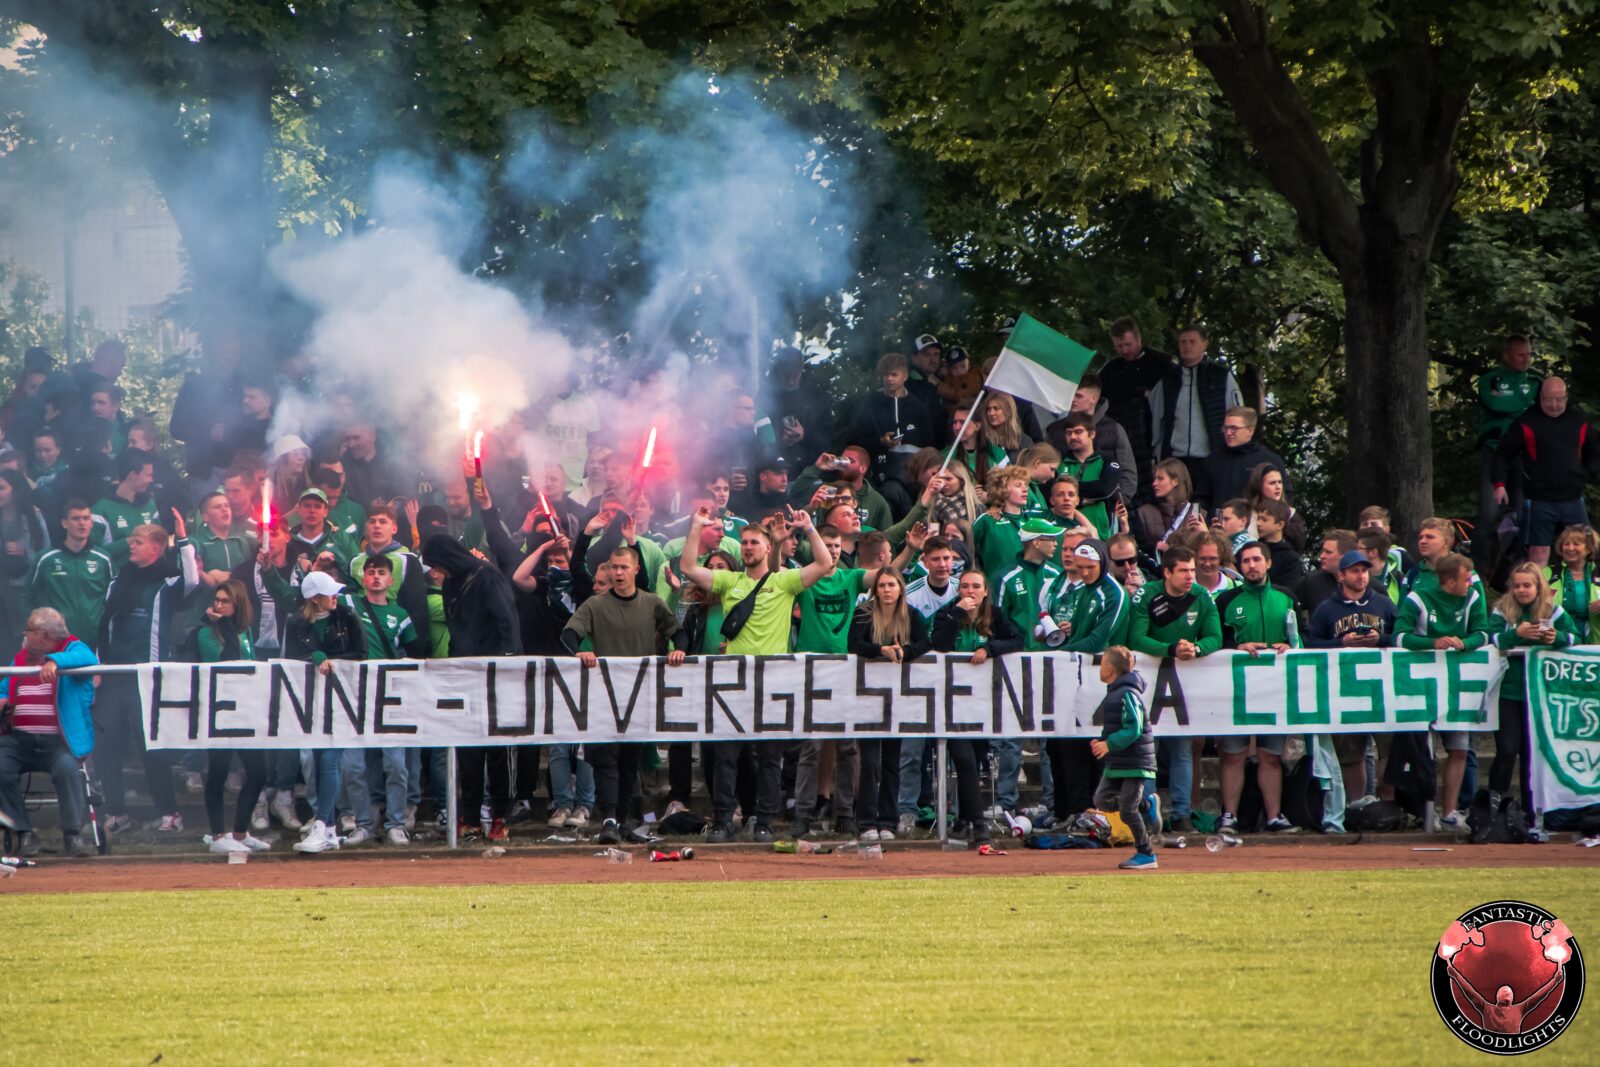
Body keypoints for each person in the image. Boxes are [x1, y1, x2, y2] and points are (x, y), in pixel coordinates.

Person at [680, 504, 833, 842]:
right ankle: (723, 821)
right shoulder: (728, 581)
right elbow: (688, 566)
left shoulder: (784, 582)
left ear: (768, 548)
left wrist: (808, 528)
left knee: (769, 756)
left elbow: (824, 564)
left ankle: (763, 821)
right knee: (725, 755)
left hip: (773, 681)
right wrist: (696, 526)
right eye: (744, 542)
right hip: (735, 680)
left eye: (754, 542)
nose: (748, 547)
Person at [561, 547, 688, 845]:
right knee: (606, 760)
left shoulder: (652, 602)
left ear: (635, 569)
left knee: (630, 762)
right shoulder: (595, 605)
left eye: (623, 567)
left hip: (639, 697)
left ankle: (622, 821)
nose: (618, 573)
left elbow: (677, 630)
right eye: (614, 567)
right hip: (603, 697)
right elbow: (568, 635)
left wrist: (679, 649)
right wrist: (580, 650)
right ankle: (608, 820)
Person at [96, 517, 199, 833]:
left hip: (148, 677)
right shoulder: (118, 581)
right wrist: (99, 667)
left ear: (155, 548)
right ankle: (116, 814)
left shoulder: (167, 583)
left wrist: (182, 539)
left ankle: (170, 815)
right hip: (114, 675)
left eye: (137, 542)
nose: (131, 546)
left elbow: (192, 580)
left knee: (152, 746)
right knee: (108, 745)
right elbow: (105, 627)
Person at [422, 534, 522, 842]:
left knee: (499, 748)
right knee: (468, 749)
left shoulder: (487, 575)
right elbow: (455, 628)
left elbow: (508, 621)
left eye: (437, 565)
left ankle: (502, 815)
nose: (436, 572)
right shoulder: (452, 584)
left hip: (496, 673)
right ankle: (471, 814)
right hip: (465, 674)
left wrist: (508, 661)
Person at [1126, 546, 1221, 832]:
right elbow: (1137, 637)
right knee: (1148, 749)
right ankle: (1148, 810)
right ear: (1167, 572)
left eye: (1192, 570)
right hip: (1149, 681)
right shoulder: (1147, 594)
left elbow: (1215, 636)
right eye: (1183, 570)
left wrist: (1197, 647)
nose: (1190, 576)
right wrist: (1170, 649)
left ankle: (1181, 814)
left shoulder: (1202, 596)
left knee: (1182, 749)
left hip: (1184, 682)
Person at [1395, 552, 1492, 830]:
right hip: (1422, 685)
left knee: (1460, 749)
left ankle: (1450, 812)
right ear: (1450, 581)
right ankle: (1425, 812)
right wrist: (1431, 643)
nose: (1470, 584)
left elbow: (1483, 633)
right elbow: (1400, 636)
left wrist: (1464, 643)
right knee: (1424, 752)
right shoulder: (1418, 598)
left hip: (1459, 686)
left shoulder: (1472, 597)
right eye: (1465, 579)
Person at [1488, 562, 1580, 840]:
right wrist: (1514, 634)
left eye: (1527, 585)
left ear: (1538, 586)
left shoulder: (1553, 610)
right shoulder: (1502, 610)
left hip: (1539, 693)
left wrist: (1556, 637)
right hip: (1507, 691)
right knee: (1506, 751)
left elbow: (1576, 636)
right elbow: (1489, 638)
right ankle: (1494, 812)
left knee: (1532, 756)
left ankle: (1531, 816)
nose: (1521, 590)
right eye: (1517, 585)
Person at [179, 581, 271, 855]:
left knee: (257, 772)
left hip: (244, 711)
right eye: (216, 600)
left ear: (238, 604)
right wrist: (224, 626)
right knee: (218, 771)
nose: (218, 605)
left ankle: (240, 833)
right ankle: (218, 834)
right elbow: (227, 664)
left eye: (225, 601)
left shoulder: (245, 631)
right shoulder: (206, 634)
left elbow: (249, 665)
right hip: (217, 711)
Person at [930, 570, 1023, 842]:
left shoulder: (995, 615)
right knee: (964, 760)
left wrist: (990, 649)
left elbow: (1017, 640)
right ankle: (979, 824)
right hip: (952, 704)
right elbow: (940, 644)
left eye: (975, 586)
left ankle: (963, 821)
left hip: (983, 704)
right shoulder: (947, 613)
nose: (969, 591)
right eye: (964, 586)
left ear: (985, 592)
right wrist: (957, 614)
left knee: (976, 761)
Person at [1215, 542, 1301, 832]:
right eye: (1246, 561)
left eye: (1256, 560)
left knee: (1270, 756)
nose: (1251, 566)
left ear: (1268, 563)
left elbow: (1301, 638)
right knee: (1234, 755)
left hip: (1275, 687)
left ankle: (1275, 816)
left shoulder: (1287, 597)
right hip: (1236, 687)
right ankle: (1229, 816)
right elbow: (1216, 640)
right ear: (1239, 566)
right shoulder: (1226, 600)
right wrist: (1237, 645)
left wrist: (1289, 645)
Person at [0, 607, 99, 857]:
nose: (24, 634)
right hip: (18, 740)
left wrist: (56, 661)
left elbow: (89, 659)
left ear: (44, 635)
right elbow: (4, 688)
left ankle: (72, 834)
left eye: (29, 630)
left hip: (58, 743)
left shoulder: (73, 649)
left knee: (68, 771)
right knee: (1, 768)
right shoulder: (20, 659)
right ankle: (24, 832)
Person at [1043, 539, 1128, 823]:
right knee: (1067, 746)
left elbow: (1098, 640)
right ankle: (1071, 811)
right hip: (1083, 681)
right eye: (1079, 568)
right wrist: (1067, 636)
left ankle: (1097, 813)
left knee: (1093, 748)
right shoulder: (1086, 590)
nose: (1084, 573)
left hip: (1105, 682)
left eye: (1089, 567)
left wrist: (1057, 652)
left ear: (1102, 562)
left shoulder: (1112, 592)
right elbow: (1083, 635)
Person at [347, 554, 430, 845]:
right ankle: (364, 824)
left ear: (391, 580)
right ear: (362, 578)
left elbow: (411, 653)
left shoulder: (401, 614)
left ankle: (396, 823)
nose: (376, 577)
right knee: (354, 766)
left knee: (396, 764)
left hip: (391, 700)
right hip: (355, 697)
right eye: (371, 572)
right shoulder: (349, 605)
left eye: (382, 572)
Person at [790, 525, 866, 838]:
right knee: (810, 748)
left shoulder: (851, 577)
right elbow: (771, 573)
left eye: (837, 545)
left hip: (845, 671)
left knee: (848, 747)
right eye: (828, 544)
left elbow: (890, 575)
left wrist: (910, 548)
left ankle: (845, 813)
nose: (833, 550)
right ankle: (803, 816)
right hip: (812, 671)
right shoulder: (805, 580)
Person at [1307, 550, 1397, 805]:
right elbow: (1310, 643)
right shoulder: (1327, 608)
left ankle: (1388, 805)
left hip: (1382, 687)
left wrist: (1381, 639)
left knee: (1388, 748)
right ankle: (1355, 805)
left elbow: (1404, 633)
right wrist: (1340, 643)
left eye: (1364, 570)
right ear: (1341, 575)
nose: (1361, 575)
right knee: (1351, 752)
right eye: (1355, 571)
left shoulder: (1383, 603)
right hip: (1344, 687)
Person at [286, 570, 367, 854]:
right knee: (319, 761)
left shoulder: (347, 616)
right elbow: (290, 659)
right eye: (329, 592)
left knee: (330, 759)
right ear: (314, 598)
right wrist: (313, 657)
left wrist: (331, 659)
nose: (336, 597)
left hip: (343, 701)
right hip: (312, 704)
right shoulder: (295, 622)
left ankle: (321, 824)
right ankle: (329, 828)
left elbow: (361, 653)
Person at [848, 567, 930, 842]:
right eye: (881, 585)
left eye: (891, 585)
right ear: (875, 589)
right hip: (868, 697)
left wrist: (905, 653)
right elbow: (854, 644)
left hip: (899, 699)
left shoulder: (910, 614)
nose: (886, 590)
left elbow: (924, 642)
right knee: (870, 762)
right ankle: (866, 821)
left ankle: (888, 820)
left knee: (892, 763)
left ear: (900, 588)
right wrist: (880, 650)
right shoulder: (863, 613)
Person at [1496, 377, 1600, 566]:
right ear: (1540, 398)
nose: (1554, 405)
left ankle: (1582, 593)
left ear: (1566, 398)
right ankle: (1539, 593)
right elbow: (1503, 454)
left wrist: (1585, 473)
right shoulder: (1527, 422)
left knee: (1583, 548)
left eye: (1559, 399)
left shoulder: (1578, 421)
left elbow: (1594, 453)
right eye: (1549, 399)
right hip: (1539, 500)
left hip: (1573, 498)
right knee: (1538, 552)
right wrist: (1499, 484)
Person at [1148, 325, 1242, 502]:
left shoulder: (1220, 377)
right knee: (1176, 507)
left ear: (1204, 344)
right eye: (1183, 342)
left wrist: (1234, 451)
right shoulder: (1168, 379)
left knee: (1206, 506)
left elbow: (1238, 413)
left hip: (1210, 456)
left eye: (1192, 341)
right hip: (1176, 457)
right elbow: (1155, 417)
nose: (1187, 346)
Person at [1088, 646, 1158, 870]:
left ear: (1108, 669)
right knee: (1101, 800)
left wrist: (1108, 744)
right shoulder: (1116, 691)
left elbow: (1134, 728)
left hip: (1136, 761)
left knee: (1127, 810)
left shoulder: (1127, 693)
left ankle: (1146, 853)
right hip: (1119, 760)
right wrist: (1103, 741)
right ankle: (1147, 804)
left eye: (1101, 666)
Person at [1474, 335, 1538, 573]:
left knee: (1524, 513)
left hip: (1525, 455)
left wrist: (1513, 402)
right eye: (1521, 354)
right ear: (1507, 355)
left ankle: (1518, 572)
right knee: (1489, 513)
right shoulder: (1491, 380)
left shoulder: (1535, 381)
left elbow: (1538, 411)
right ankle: (1478, 573)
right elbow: (1494, 404)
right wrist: (1522, 405)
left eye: (1528, 354)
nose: (1526, 359)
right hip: (1495, 450)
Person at [1100, 317, 1172, 493]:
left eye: (1128, 344)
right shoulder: (1109, 370)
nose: (1124, 350)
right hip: (1122, 438)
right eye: (1119, 346)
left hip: (1155, 438)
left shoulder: (1162, 364)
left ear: (1139, 339)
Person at [25, 500, 113, 641]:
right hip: (57, 638)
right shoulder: (46, 558)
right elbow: (27, 596)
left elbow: (111, 597)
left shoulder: (103, 559)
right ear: (64, 523)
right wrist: (36, 629)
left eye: (86, 518)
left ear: (91, 523)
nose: (82, 523)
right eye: (76, 518)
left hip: (95, 637)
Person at [1205, 406, 1287, 509]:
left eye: (1234, 428)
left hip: (1255, 521)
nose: (1228, 433)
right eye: (1226, 428)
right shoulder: (1213, 460)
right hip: (1217, 522)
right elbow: (1203, 498)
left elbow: (1284, 497)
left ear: (1250, 431)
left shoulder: (1270, 460)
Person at [1054, 413, 1120, 538]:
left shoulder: (1108, 460)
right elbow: (1051, 492)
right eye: (1069, 433)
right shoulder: (1059, 463)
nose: (1073, 436)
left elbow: (1104, 489)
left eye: (1078, 432)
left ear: (1092, 434)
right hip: (1066, 534)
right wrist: (1085, 500)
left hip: (1101, 533)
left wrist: (1070, 491)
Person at [92, 449, 162, 566]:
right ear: (133, 475)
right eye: (148, 475)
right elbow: (92, 556)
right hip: (117, 580)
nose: (151, 480)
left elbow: (160, 543)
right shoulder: (100, 510)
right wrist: (126, 543)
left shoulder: (150, 505)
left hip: (150, 578)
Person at [1133, 459, 1202, 562]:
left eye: (1160, 479)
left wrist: (1205, 533)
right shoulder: (1144, 512)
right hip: (1153, 572)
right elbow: (1138, 548)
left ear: (1175, 481)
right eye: (1154, 478)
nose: (1154, 483)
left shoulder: (1196, 512)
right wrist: (1155, 547)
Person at [1546, 524, 1600, 642]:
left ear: (1588, 548)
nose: (1570, 548)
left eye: (1576, 544)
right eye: (1566, 544)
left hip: (1595, 645)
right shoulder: (1546, 574)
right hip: (1556, 643)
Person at [1295, 529, 1359, 620]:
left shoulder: (1372, 587)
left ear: (1346, 556)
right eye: (1323, 551)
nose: (1322, 556)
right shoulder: (1310, 582)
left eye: (1328, 552)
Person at [1253, 499, 1303, 589]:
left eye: (1264, 520)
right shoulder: (1251, 549)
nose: (1258, 523)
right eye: (1258, 518)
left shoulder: (1291, 559)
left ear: (1280, 525)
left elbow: (1287, 591)